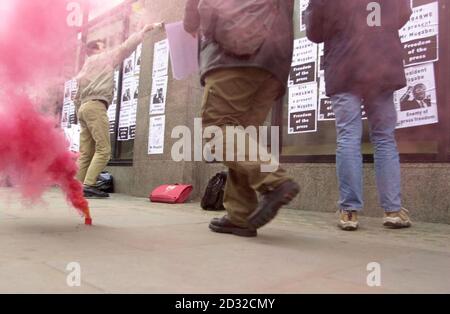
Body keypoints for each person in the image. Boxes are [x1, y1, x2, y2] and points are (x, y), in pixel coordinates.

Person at [183, 0, 299, 237]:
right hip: (274, 61)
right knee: (241, 138)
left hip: (234, 52)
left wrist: (196, 22)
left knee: (216, 130)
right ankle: (241, 215)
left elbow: (196, 14)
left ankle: (274, 180)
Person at [305, 0, 413, 230]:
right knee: (384, 138)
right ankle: (393, 210)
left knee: (348, 138)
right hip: (380, 65)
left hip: (344, 67)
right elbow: (403, 14)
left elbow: (313, 32)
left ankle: (349, 212)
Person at [75, 23, 163, 198]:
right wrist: (143, 31)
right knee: (104, 150)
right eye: (102, 45)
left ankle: (77, 187)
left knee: (86, 152)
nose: (106, 48)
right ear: (96, 49)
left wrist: (81, 113)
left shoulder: (84, 69)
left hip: (84, 108)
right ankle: (89, 184)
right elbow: (125, 48)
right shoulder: (102, 59)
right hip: (96, 106)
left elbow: (76, 97)